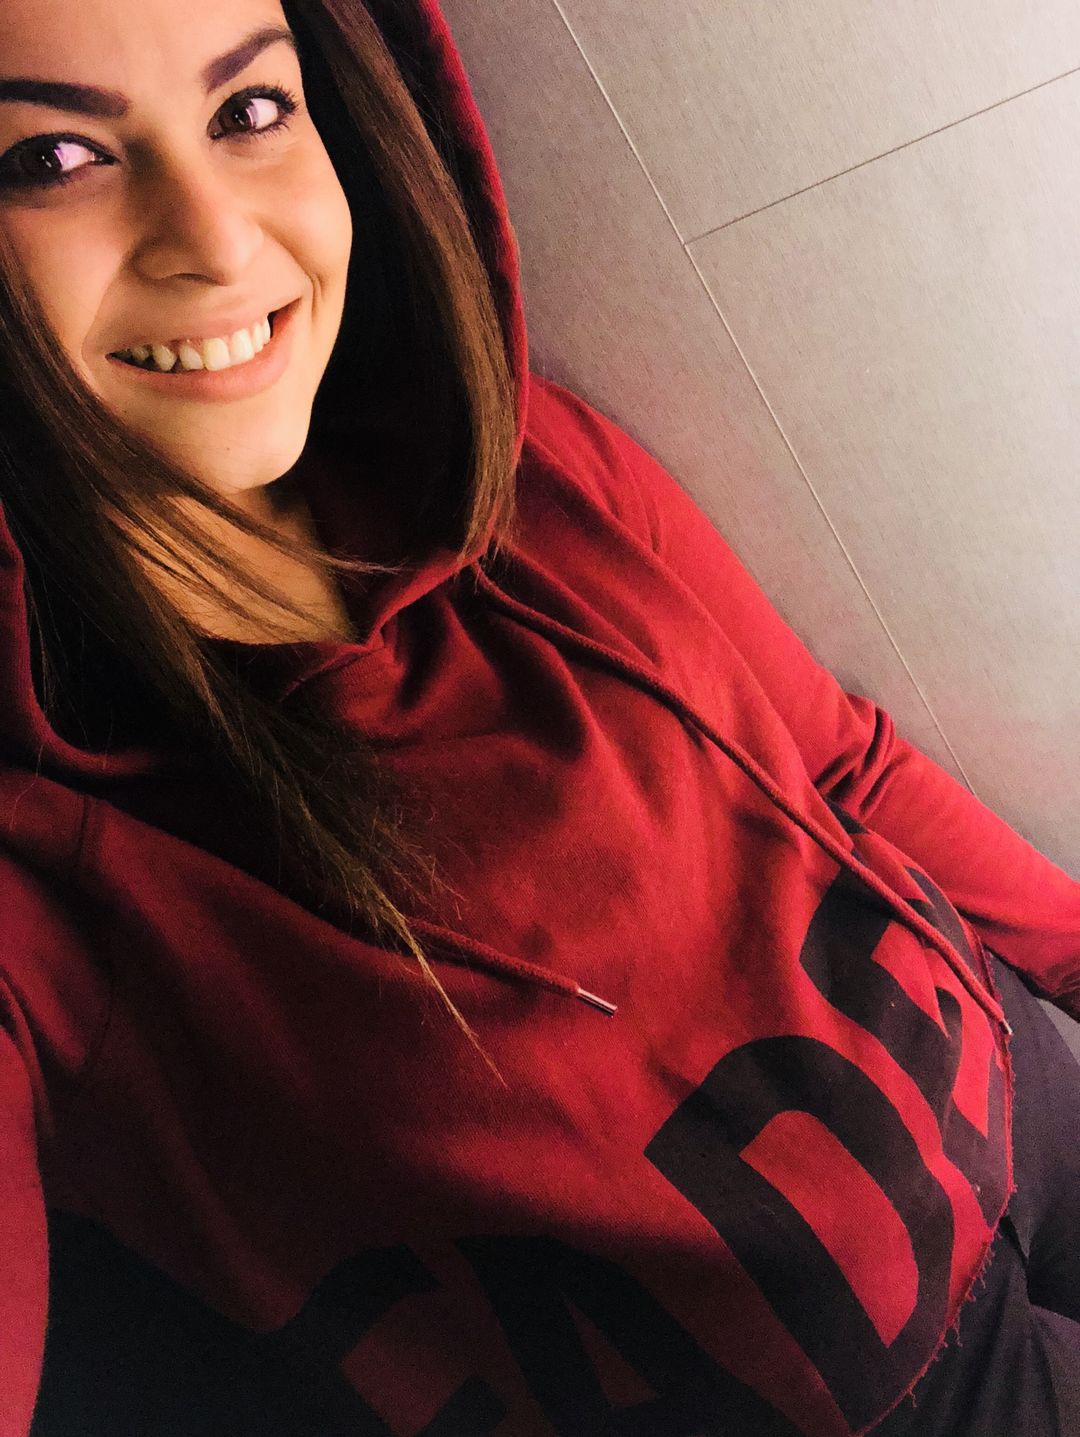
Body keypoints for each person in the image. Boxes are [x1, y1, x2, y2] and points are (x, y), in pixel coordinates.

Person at [0, 0, 1077, 1432]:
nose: (212, 237)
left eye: (251, 109)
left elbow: (839, 763)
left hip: (1023, 1092)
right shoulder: (52, 885)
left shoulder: (536, 468)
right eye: (52, 158)